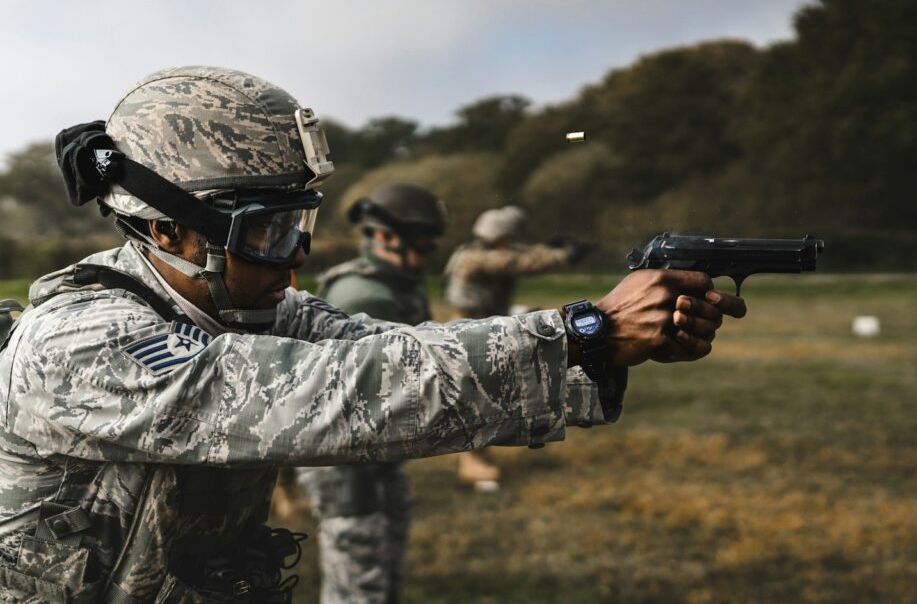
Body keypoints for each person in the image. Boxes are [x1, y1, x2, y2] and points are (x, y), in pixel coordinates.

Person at [0, 66, 745, 603]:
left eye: (300, 222)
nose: (294, 255)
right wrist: (584, 334)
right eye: (264, 229)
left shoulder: (251, 306)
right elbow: (337, 392)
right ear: (167, 229)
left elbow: (389, 352)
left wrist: (607, 341)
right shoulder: (81, 342)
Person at [297, 182, 446, 604]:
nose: (428, 253)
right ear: (384, 236)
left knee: (383, 573)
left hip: (374, 453)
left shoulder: (394, 285)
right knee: (359, 580)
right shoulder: (365, 295)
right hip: (346, 462)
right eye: (422, 243)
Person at [443, 206, 588, 489]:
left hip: (484, 327)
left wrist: (547, 248)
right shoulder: (476, 257)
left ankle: (479, 456)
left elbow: (519, 253)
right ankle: (474, 462)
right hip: (470, 332)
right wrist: (563, 255)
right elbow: (518, 262)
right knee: (475, 397)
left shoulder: (477, 249)